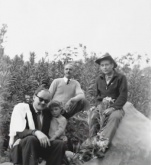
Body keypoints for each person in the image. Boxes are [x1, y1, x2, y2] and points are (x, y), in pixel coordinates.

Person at [9, 86, 66, 165]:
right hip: (24, 147)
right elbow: (19, 131)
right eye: (41, 99)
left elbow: (61, 114)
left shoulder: (47, 112)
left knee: (60, 144)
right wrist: (36, 132)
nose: (43, 103)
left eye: (46, 101)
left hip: (41, 146)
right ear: (34, 97)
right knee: (31, 139)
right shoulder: (23, 108)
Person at [89, 53, 128, 152]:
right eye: (102, 65)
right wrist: (96, 106)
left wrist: (113, 108)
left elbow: (123, 95)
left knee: (115, 117)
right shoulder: (99, 79)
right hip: (102, 105)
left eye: (107, 65)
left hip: (115, 105)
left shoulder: (120, 78)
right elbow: (97, 95)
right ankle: (92, 142)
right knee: (93, 116)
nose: (104, 67)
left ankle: (102, 145)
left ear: (112, 65)